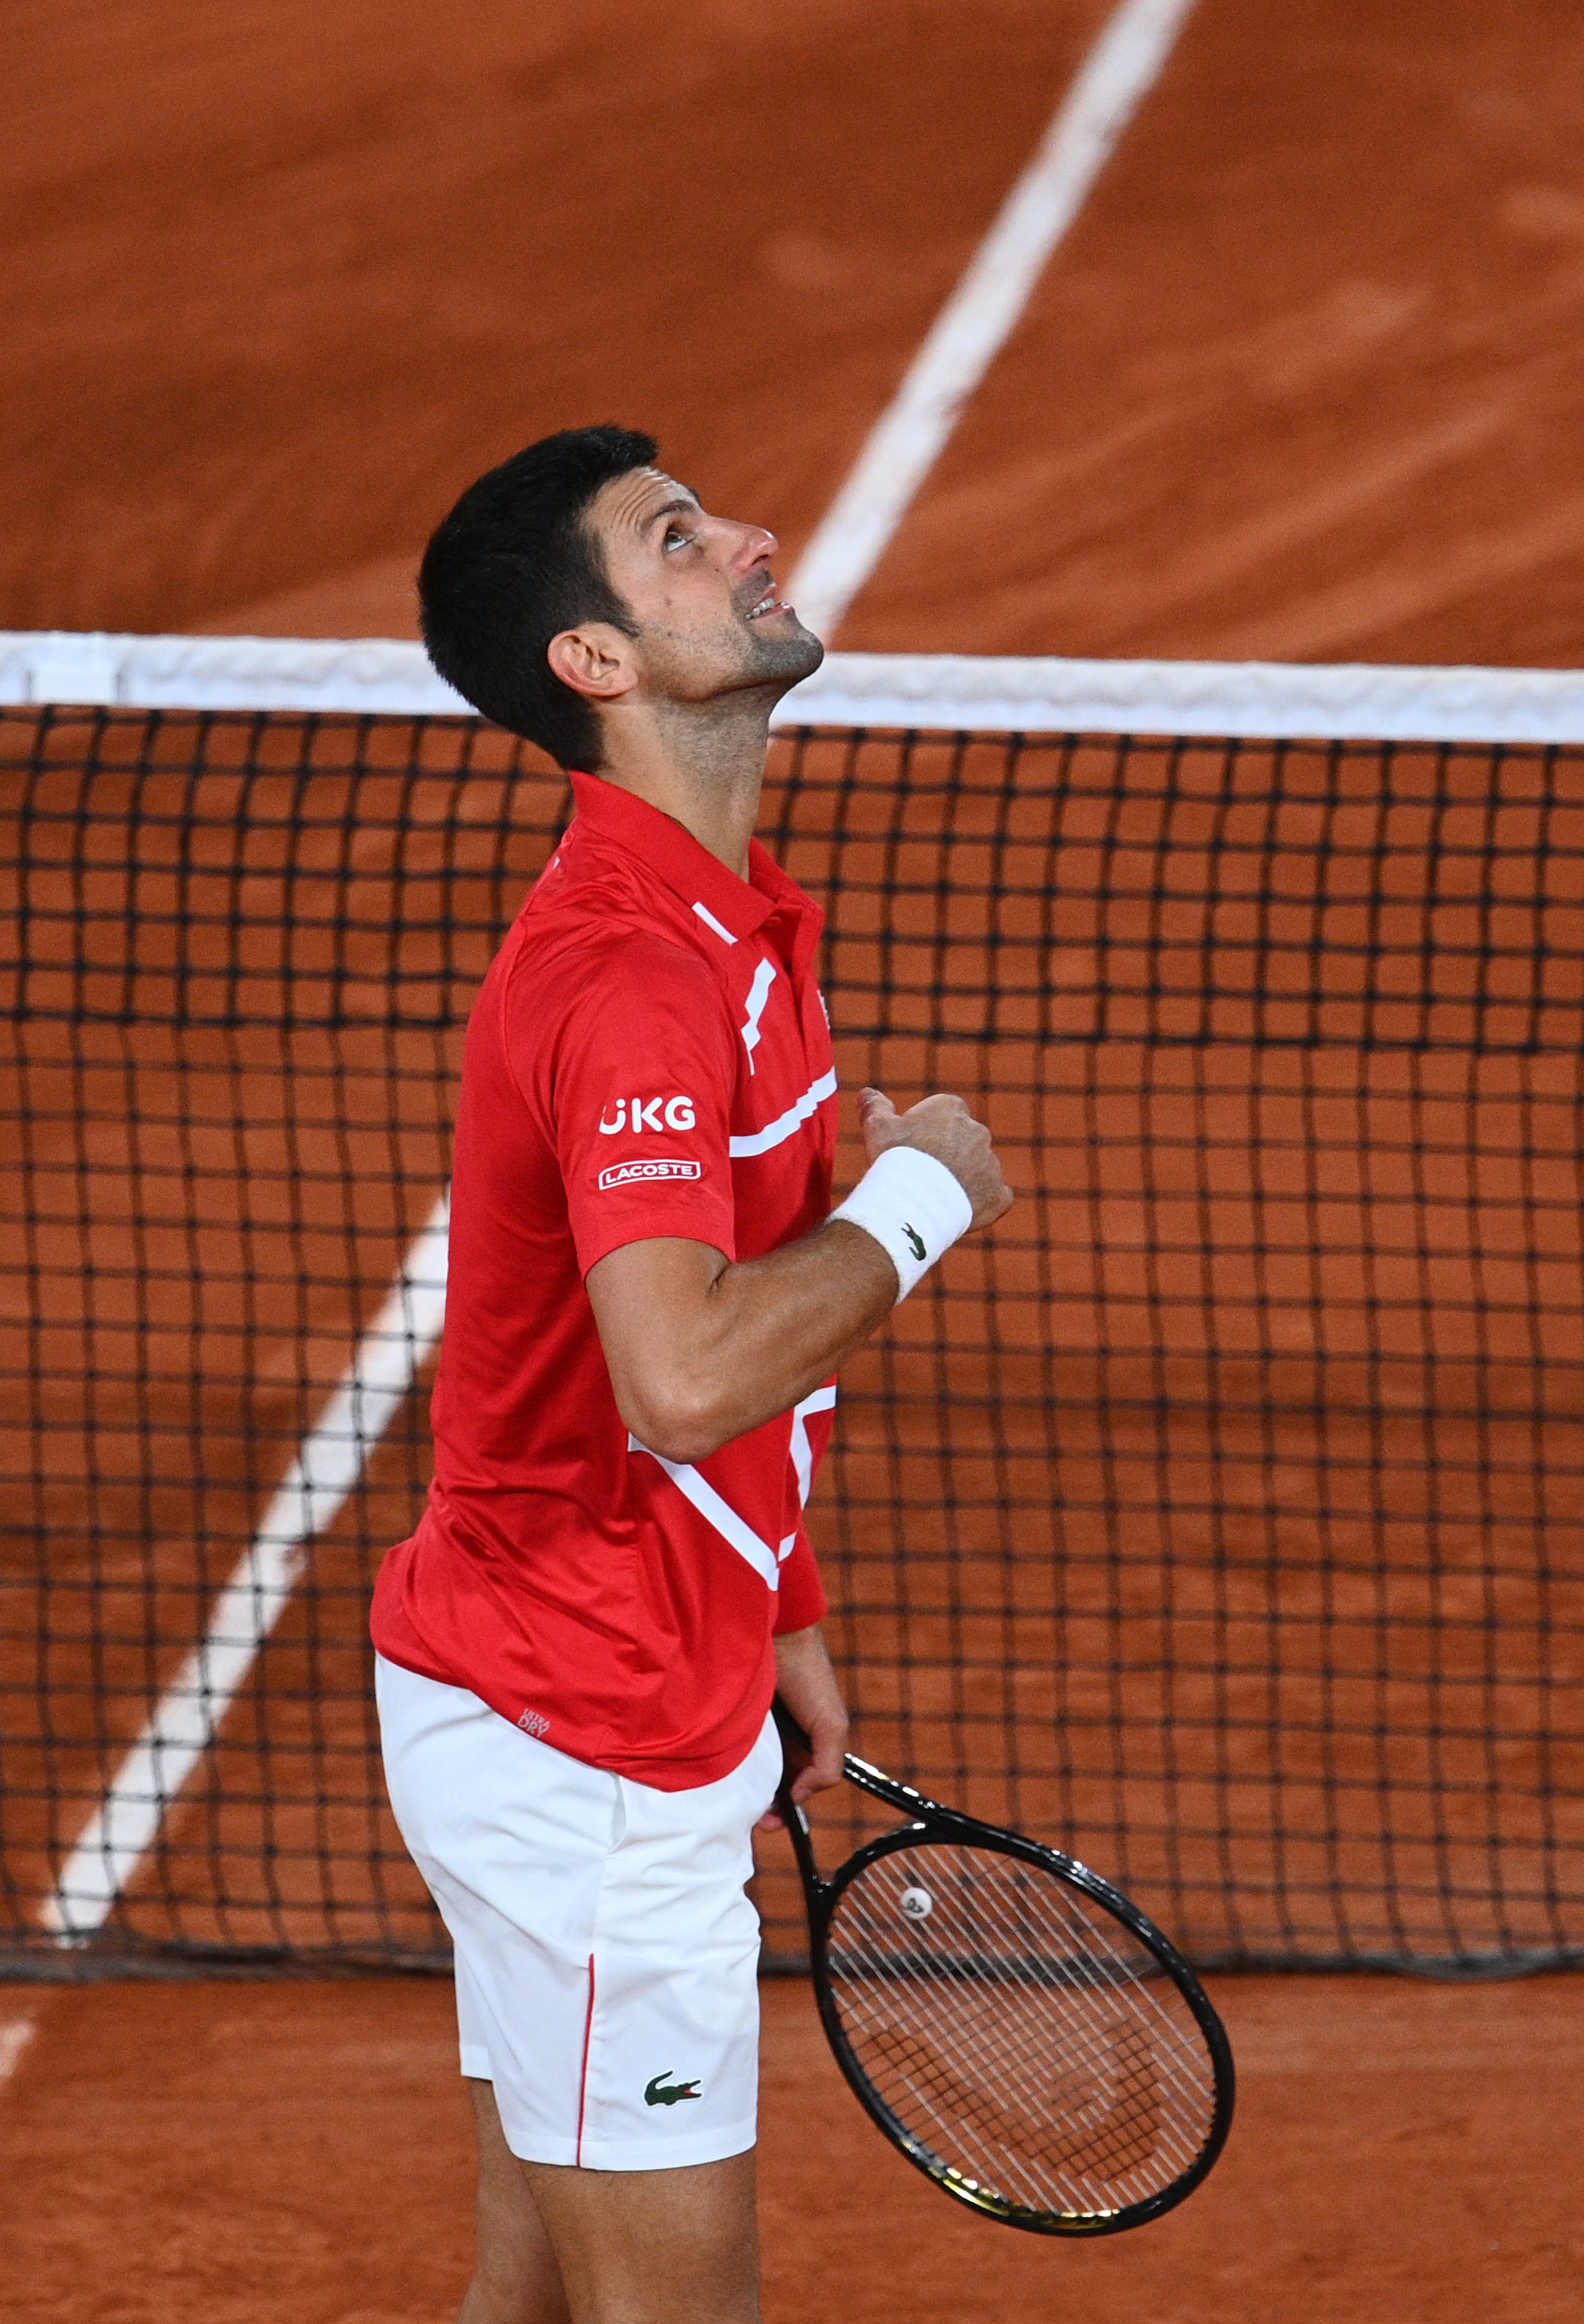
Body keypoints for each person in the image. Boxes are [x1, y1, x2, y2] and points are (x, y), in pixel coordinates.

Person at [373, 424, 1015, 2324]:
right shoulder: (632, 976)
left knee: (538, 2301)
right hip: (581, 1743)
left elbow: (721, 1356)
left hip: (610, 1676)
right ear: (595, 659)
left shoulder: (742, 925)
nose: (746, 536)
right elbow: (677, 1373)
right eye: (673, 540)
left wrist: (781, 1605)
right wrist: (915, 1207)